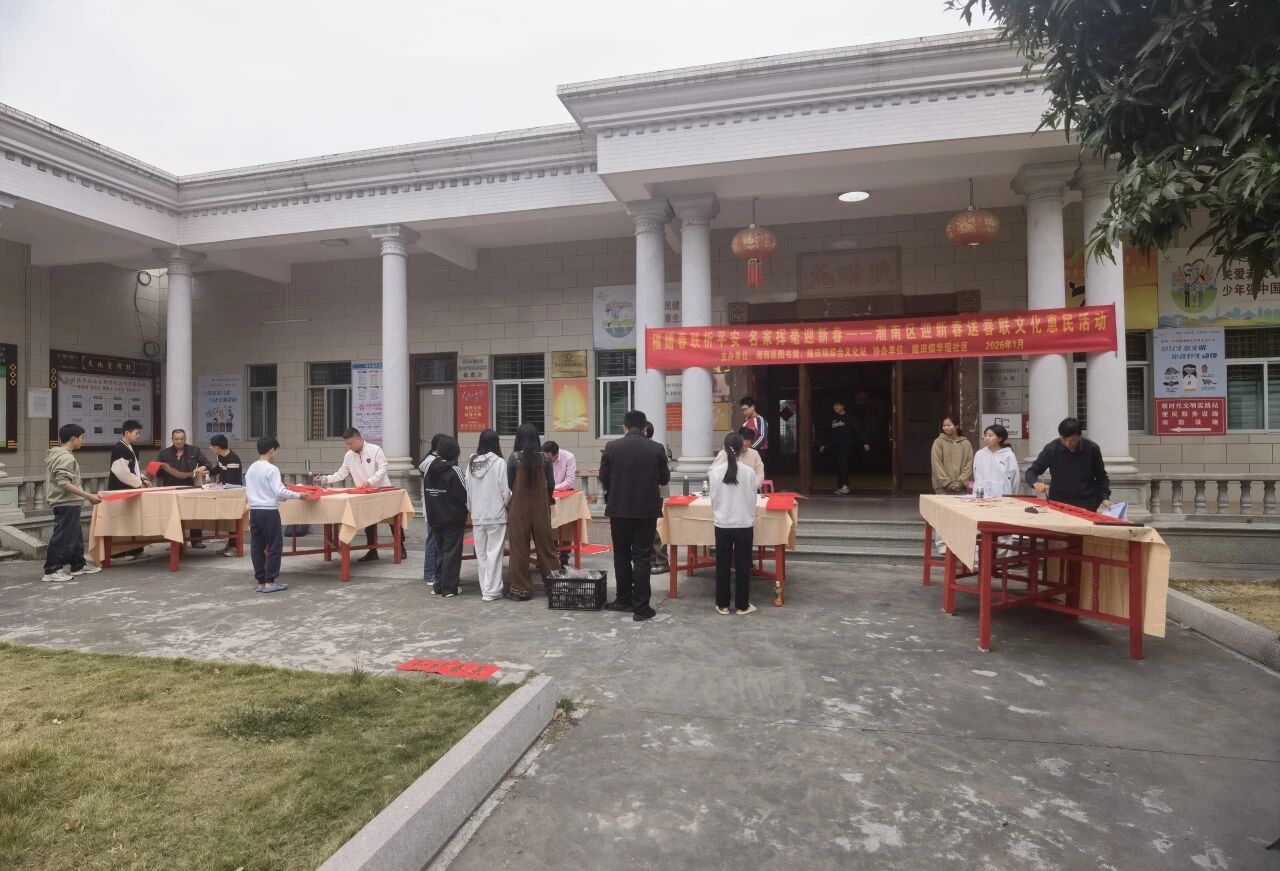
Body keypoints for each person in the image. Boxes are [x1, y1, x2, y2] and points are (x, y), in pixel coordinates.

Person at [599, 410, 670, 621]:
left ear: (625, 427)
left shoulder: (612, 447)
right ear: (645, 427)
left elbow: (603, 477)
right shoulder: (656, 448)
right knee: (642, 557)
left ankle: (623, 600)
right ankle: (641, 607)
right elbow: (664, 479)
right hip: (646, 512)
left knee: (621, 555)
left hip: (619, 510)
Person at [314, 427, 405, 562]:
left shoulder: (375, 450)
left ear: (359, 439)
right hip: (364, 493)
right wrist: (325, 479)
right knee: (368, 521)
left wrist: (370, 481)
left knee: (392, 520)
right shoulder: (349, 455)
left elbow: (383, 468)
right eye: (347, 444)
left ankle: (401, 547)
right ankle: (372, 551)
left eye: (350, 443)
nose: (348, 446)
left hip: (382, 491)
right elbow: (342, 473)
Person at [245, 436, 314, 593]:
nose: (276, 453)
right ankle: (270, 581)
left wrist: (280, 496)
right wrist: (299, 495)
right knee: (274, 546)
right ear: (271, 451)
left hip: (254, 511)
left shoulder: (251, 468)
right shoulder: (272, 469)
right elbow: (279, 491)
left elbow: (261, 490)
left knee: (257, 547)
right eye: (276, 450)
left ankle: (261, 582)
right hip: (269, 511)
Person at [504, 423, 560, 602]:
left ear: (519, 438)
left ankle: (521, 589)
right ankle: (554, 587)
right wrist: (546, 499)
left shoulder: (514, 458)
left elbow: (510, 483)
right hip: (540, 509)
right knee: (546, 547)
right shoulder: (545, 459)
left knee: (519, 549)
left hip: (519, 509)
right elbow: (551, 484)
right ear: (537, 438)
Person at [42, 424, 102, 582]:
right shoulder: (66, 457)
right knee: (62, 536)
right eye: (82, 438)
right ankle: (52, 570)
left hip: (69, 502)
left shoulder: (60, 454)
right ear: (73, 438)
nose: (83, 441)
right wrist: (88, 496)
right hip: (65, 502)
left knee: (74, 535)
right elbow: (64, 482)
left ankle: (78, 564)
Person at [709, 433, 759, 616]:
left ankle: (722, 604)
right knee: (743, 565)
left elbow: (713, 499)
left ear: (724, 448)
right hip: (744, 523)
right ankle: (742, 605)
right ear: (741, 448)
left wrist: (721, 512)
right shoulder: (749, 472)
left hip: (722, 523)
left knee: (722, 564)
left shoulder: (715, 473)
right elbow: (752, 499)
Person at [1025, 418, 1113, 512]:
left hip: (1087, 503)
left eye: (1072, 440)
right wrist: (1036, 484)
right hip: (1058, 502)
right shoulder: (1051, 449)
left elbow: (1101, 477)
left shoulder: (1092, 449)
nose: (1068, 444)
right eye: (1064, 439)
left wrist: (1105, 497)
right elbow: (1031, 472)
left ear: (1079, 436)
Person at [465, 430, 510, 602]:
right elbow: (504, 491)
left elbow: (468, 489)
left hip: (477, 514)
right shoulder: (499, 462)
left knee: (481, 554)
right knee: (495, 553)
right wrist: (506, 505)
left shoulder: (471, 462)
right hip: (496, 514)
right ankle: (492, 590)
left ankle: (485, 588)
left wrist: (472, 508)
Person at [424, 436, 468, 598]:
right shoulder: (454, 470)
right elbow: (465, 494)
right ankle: (449, 588)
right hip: (452, 517)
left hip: (435, 517)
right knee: (452, 553)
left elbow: (428, 493)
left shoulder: (430, 469)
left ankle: (438, 586)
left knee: (440, 551)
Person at [155, 428, 211, 548]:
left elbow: (208, 464)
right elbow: (158, 473)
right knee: (172, 517)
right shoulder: (164, 453)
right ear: (172, 439)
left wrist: (201, 468)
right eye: (176, 439)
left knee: (194, 514)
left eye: (181, 439)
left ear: (185, 439)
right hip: (171, 489)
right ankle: (175, 543)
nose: (179, 441)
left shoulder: (195, 450)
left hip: (190, 488)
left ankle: (196, 540)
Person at [106, 419, 149, 561]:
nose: (138, 436)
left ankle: (135, 549)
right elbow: (122, 472)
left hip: (130, 490)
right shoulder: (120, 448)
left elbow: (134, 469)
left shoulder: (131, 447)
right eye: (137, 433)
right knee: (121, 522)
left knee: (132, 520)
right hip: (120, 491)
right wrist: (139, 484)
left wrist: (143, 478)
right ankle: (118, 553)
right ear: (127, 433)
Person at [821, 401, 871, 495]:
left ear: (842, 406)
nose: (835, 408)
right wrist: (824, 444)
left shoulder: (849, 418)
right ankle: (841, 486)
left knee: (842, 462)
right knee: (837, 464)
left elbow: (858, 429)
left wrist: (865, 442)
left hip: (846, 445)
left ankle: (845, 486)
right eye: (834, 406)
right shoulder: (834, 419)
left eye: (837, 406)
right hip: (836, 446)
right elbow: (828, 432)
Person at [641, 421, 671, 575]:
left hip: (656, 492)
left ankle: (661, 561)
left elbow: (663, 475)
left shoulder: (654, 448)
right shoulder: (647, 447)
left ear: (645, 431)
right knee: (647, 529)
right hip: (647, 492)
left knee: (655, 528)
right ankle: (652, 560)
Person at [543, 440, 578, 569]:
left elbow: (570, 480)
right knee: (549, 525)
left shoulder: (569, 457)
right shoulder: (542, 457)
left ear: (556, 454)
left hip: (564, 496)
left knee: (565, 526)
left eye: (550, 458)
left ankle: (564, 558)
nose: (547, 461)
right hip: (548, 495)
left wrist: (553, 487)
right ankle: (551, 556)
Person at [208, 434, 244, 557]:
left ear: (217, 447)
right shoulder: (220, 456)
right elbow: (218, 469)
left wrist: (217, 486)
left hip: (233, 493)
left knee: (233, 520)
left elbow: (231, 481)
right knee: (228, 520)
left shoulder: (233, 459)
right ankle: (230, 544)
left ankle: (235, 546)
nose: (211, 449)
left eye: (212, 447)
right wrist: (207, 472)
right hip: (225, 492)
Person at [418, 433, 444, 585]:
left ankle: (433, 574)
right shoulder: (432, 463)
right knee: (433, 542)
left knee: (434, 541)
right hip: (434, 508)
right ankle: (430, 575)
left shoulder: (429, 461)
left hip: (433, 508)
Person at [930, 416, 974, 495]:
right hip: (942, 488)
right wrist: (947, 483)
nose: (946, 428)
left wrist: (961, 482)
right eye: (944, 426)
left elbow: (969, 464)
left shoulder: (966, 443)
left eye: (949, 425)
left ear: (957, 426)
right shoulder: (938, 442)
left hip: (960, 488)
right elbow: (936, 464)